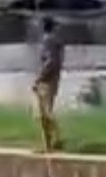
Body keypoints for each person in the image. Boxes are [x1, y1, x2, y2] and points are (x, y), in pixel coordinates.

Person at [32, 15, 65, 152]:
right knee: (43, 114)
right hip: (52, 79)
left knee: (44, 113)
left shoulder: (48, 41)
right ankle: (48, 146)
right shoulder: (55, 41)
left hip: (46, 80)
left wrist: (39, 78)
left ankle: (56, 139)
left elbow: (50, 62)